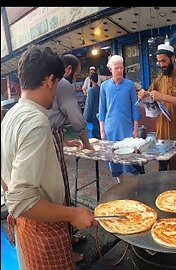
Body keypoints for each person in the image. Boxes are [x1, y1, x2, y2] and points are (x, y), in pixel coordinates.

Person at [1, 45, 95, 270]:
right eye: (57, 84)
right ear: (49, 80)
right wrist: (73, 213)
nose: (56, 92)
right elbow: (21, 201)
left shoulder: (12, 115)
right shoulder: (35, 123)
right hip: (42, 228)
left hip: (28, 226)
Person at [48, 54, 94, 261]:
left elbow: (55, 116)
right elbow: (75, 116)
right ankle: (63, 249)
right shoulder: (63, 84)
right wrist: (86, 143)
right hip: (48, 139)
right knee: (57, 190)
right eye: (76, 75)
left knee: (61, 188)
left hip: (54, 135)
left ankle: (67, 236)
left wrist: (65, 141)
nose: (75, 79)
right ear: (67, 70)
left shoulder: (57, 85)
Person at [137, 44, 176, 170]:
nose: (161, 65)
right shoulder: (158, 80)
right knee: (162, 163)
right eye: (159, 62)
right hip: (162, 128)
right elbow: (149, 96)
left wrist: (161, 96)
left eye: (164, 61)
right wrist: (142, 94)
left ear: (172, 58)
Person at [99, 55, 142, 182]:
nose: (119, 70)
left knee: (132, 158)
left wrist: (135, 128)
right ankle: (120, 183)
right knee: (114, 158)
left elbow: (135, 108)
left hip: (127, 127)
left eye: (121, 67)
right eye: (116, 68)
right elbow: (102, 109)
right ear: (111, 69)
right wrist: (102, 129)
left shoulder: (129, 85)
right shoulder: (104, 86)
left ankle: (137, 182)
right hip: (110, 128)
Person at [83, 72, 101, 139]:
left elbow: (89, 106)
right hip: (100, 116)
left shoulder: (91, 91)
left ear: (91, 80)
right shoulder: (101, 89)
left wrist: (87, 118)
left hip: (93, 117)